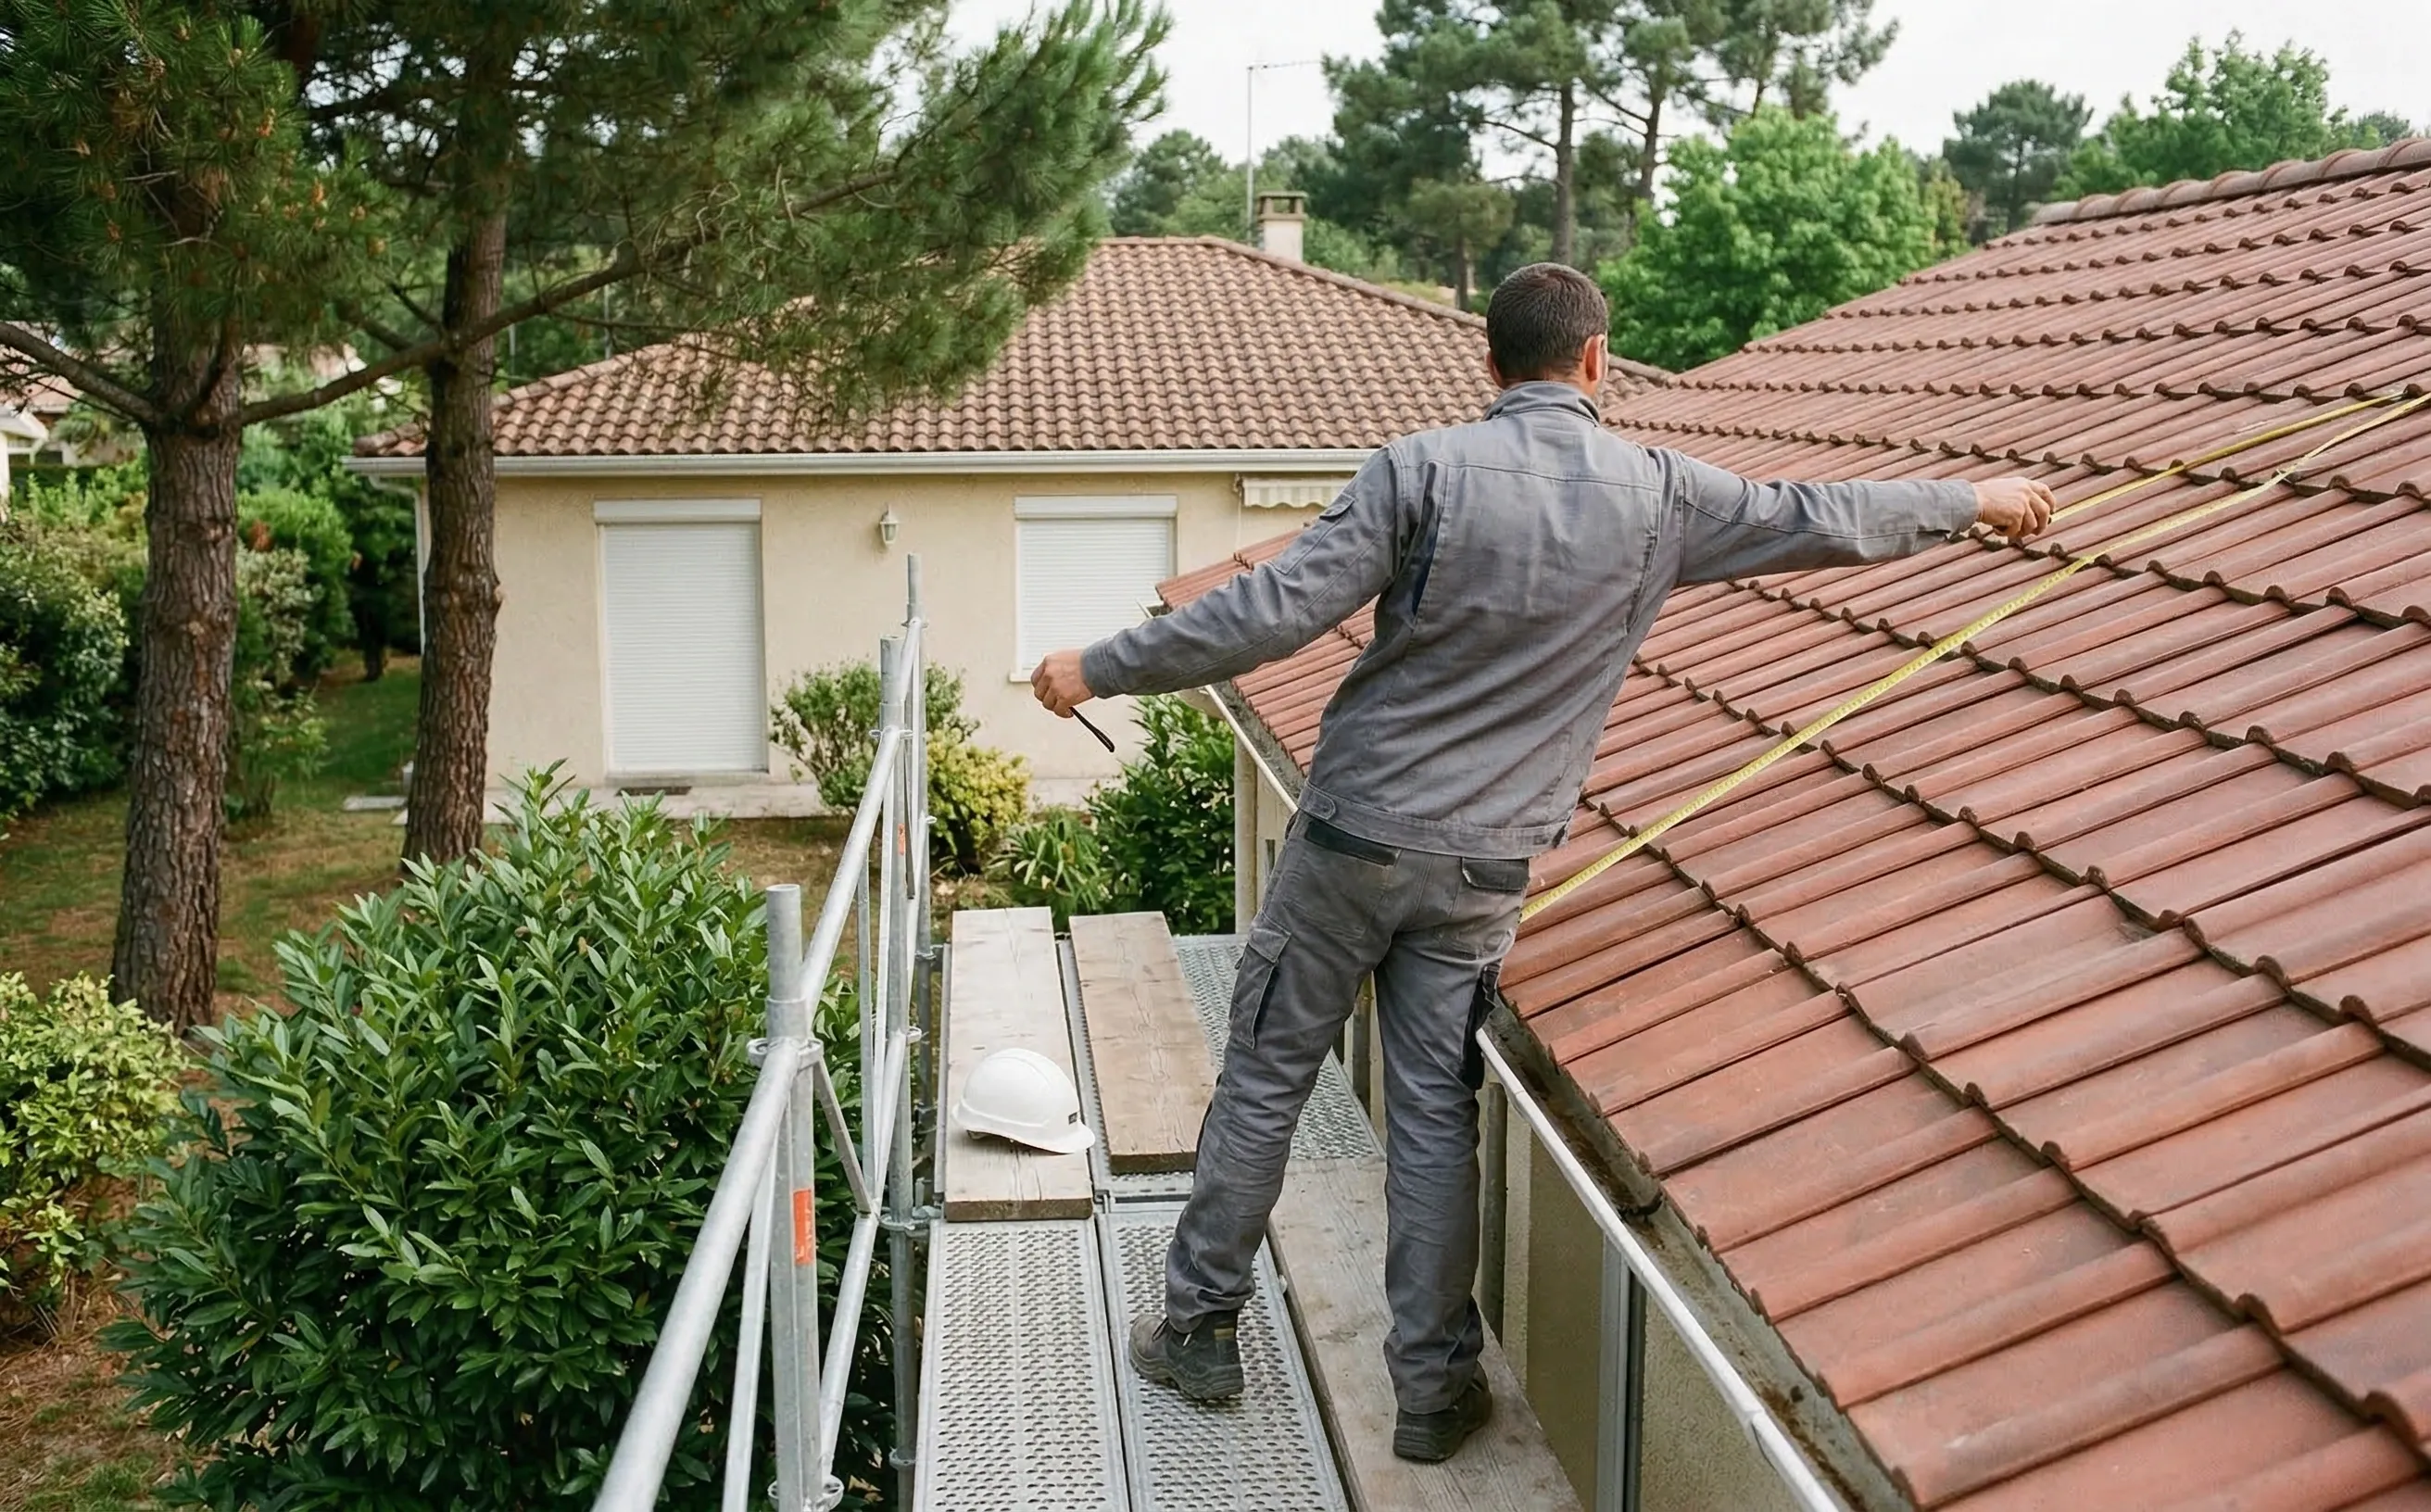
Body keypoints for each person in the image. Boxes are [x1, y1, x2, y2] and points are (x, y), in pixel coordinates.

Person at [1027, 263, 2055, 1465]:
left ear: (1490, 365)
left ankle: (1199, 1332)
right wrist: (1974, 500)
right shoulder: (1665, 494)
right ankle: (1430, 1393)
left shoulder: (1418, 472)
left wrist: (1100, 664)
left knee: (1266, 1079)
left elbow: (1274, 611)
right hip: (1480, 875)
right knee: (1429, 1119)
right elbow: (1820, 514)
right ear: (1597, 361)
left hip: (1352, 842)